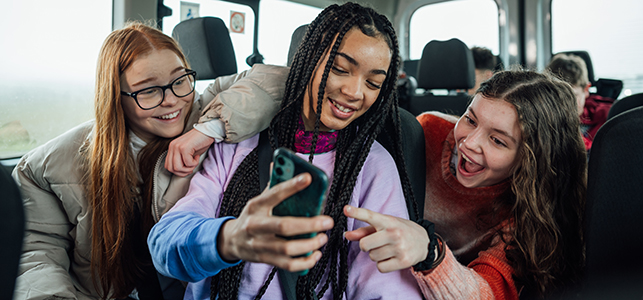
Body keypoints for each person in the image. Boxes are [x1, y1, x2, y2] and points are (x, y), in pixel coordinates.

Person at [147, 3, 423, 300]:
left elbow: (388, 288)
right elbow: (165, 244)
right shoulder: (239, 142)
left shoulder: (373, 166)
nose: (356, 93)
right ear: (309, 60)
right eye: (340, 70)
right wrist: (232, 238)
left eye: (373, 83)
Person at [11, 22, 288, 299]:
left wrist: (207, 129)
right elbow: (36, 251)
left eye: (180, 81)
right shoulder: (48, 166)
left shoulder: (208, 109)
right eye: (148, 90)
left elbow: (282, 79)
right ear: (115, 97)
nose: (171, 100)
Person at [342, 69, 587, 299]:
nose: (469, 143)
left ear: (531, 159)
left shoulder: (527, 211)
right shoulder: (424, 133)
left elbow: (488, 291)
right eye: (470, 119)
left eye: (497, 141)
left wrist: (430, 252)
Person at [547, 53, 614, 150]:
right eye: (557, 96)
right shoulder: (541, 121)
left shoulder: (608, 118)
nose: (565, 104)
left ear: (586, 90)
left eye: (573, 96)